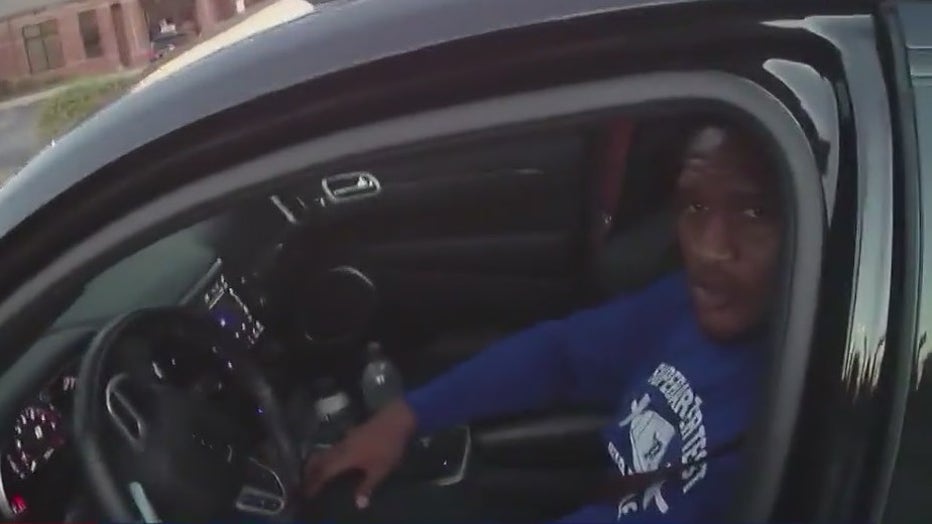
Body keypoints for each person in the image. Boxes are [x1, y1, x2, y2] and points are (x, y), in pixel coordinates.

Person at [302, 120, 783, 522]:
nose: (710, 249)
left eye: (755, 212)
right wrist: (407, 416)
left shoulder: (799, 392)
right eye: (695, 207)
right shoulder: (683, 304)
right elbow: (560, 356)